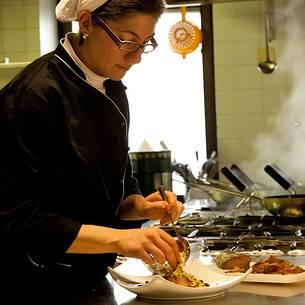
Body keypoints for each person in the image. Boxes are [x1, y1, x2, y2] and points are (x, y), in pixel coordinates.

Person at [0, 0, 184, 303]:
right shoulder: (33, 95)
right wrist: (121, 239)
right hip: (32, 283)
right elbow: (17, 219)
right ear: (87, 23)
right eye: (127, 41)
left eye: (145, 44)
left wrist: (138, 206)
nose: (136, 58)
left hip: (91, 276)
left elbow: (109, 183)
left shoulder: (111, 87)